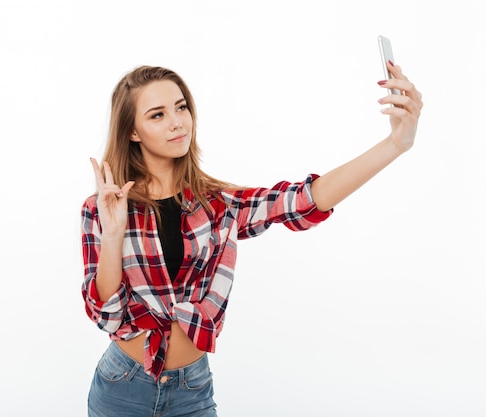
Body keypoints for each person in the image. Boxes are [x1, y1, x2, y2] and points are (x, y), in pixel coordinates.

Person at [80, 64, 422, 417]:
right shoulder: (102, 207)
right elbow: (105, 313)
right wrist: (114, 232)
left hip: (191, 389)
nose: (177, 122)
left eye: (181, 107)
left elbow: (302, 200)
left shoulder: (218, 205)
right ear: (132, 132)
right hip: (123, 387)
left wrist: (395, 144)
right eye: (157, 115)